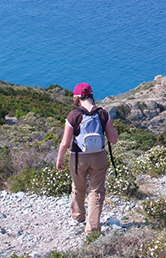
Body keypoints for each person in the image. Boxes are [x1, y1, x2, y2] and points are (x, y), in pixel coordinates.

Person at [56, 82, 118, 234]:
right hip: (99, 157)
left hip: (78, 158)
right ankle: (92, 228)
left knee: (78, 187)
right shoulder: (103, 114)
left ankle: (78, 216)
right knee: (96, 191)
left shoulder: (74, 115)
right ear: (91, 95)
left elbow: (65, 142)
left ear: (76, 97)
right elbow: (113, 139)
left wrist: (59, 158)